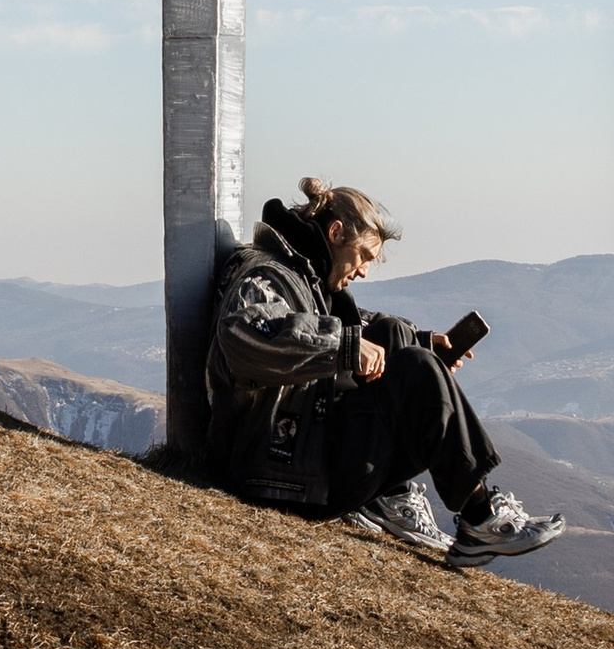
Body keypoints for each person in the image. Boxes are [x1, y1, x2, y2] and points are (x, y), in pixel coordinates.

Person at [207, 175, 567, 570]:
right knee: (416, 369)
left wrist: (424, 341)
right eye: (362, 255)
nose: (362, 271)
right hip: (273, 477)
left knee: (397, 336)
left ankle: (390, 500)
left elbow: (344, 321)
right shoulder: (267, 274)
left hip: (294, 460)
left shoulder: (303, 277)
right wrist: (343, 347)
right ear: (336, 232)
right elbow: (243, 335)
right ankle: (480, 517)